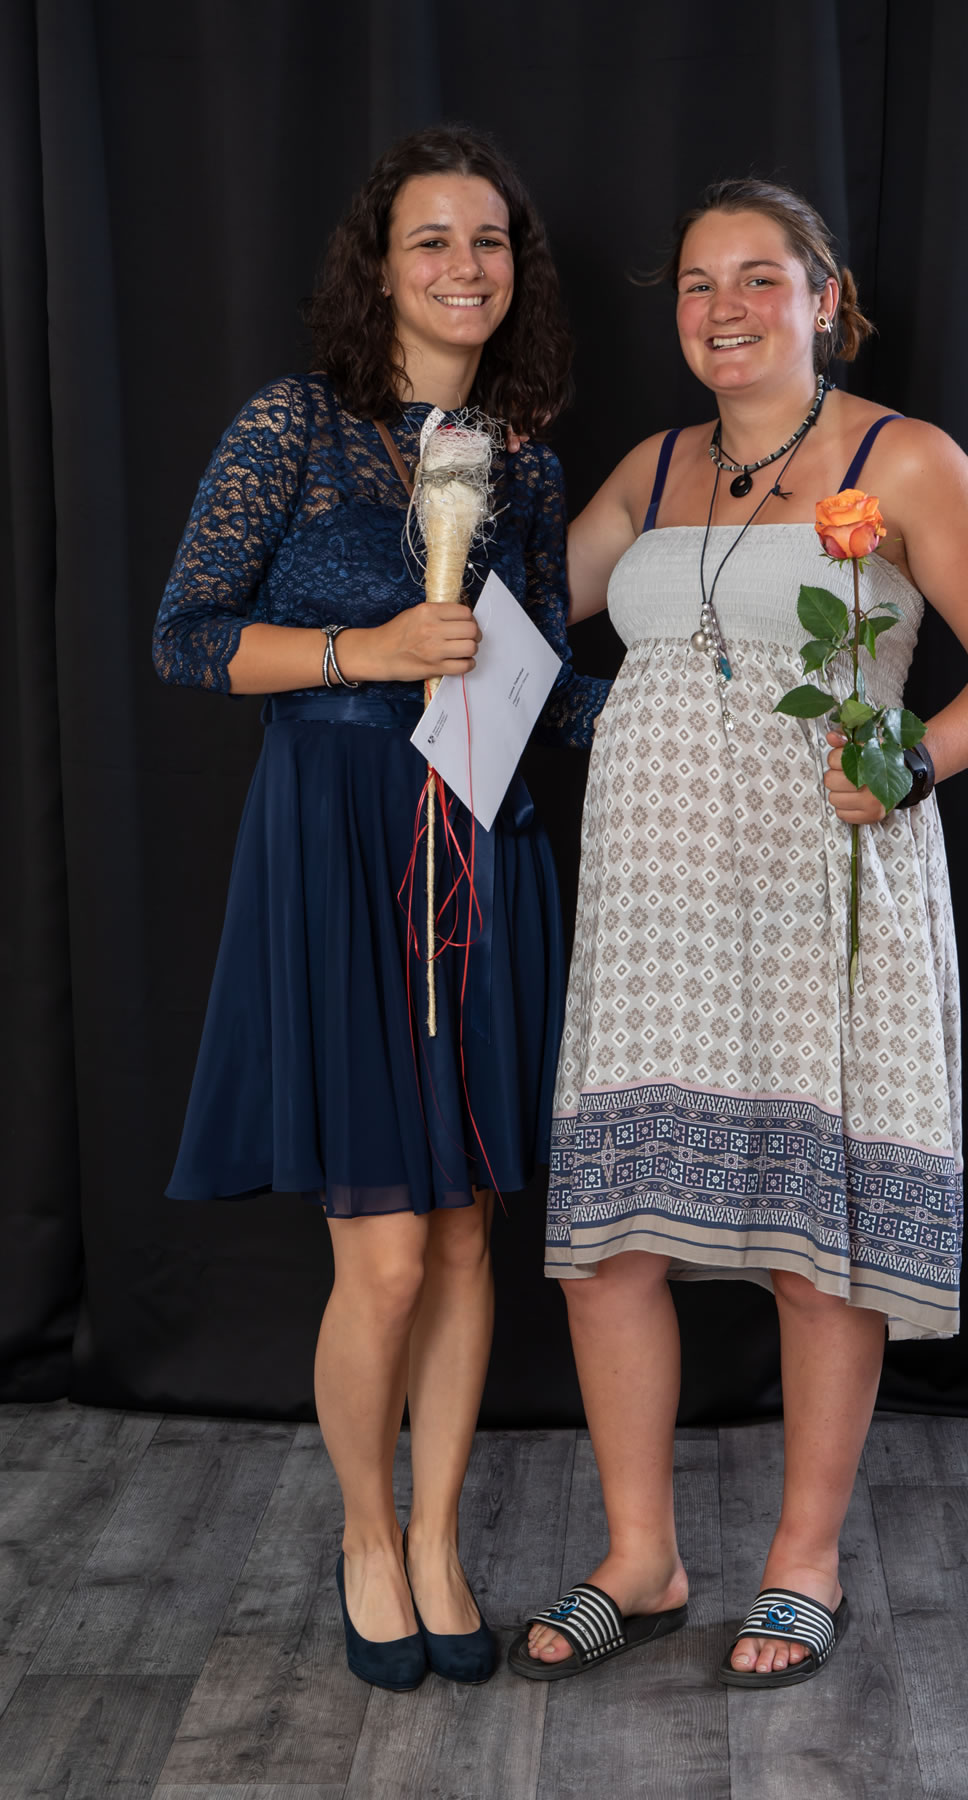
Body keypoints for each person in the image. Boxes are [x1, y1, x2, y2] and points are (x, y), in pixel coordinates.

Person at [509, 178, 968, 1689]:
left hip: (822, 888)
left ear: (826, 299)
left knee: (820, 1257)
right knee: (610, 1247)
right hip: (653, 906)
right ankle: (643, 1556)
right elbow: (526, 615)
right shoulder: (653, 464)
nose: (725, 308)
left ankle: (802, 1562)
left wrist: (912, 759)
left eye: (759, 277)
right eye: (698, 283)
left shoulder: (904, 458)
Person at [152, 126, 606, 1692]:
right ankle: (363, 1533)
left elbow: (547, 687)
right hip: (338, 843)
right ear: (382, 264)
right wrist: (368, 653)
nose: (465, 267)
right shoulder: (295, 426)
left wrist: (709, 717)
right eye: (433, 240)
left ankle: (438, 1538)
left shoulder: (528, 462)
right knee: (390, 1258)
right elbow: (188, 636)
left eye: (490, 242)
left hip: (481, 843)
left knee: (469, 1239)